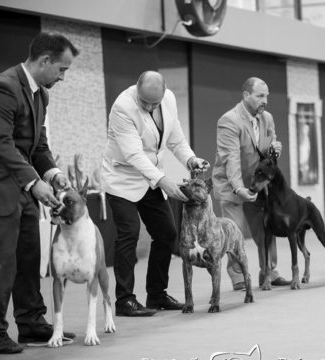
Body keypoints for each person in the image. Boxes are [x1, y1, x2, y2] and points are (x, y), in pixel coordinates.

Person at [0, 32, 79, 354]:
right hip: (0, 190)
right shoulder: (3, 87)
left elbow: (38, 147)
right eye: (62, 69)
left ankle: (31, 323)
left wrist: (53, 173)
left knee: (29, 259)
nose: (62, 77)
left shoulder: (41, 95)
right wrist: (33, 181)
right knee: (2, 264)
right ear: (44, 61)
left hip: (25, 192)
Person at [101, 71, 210, 317]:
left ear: (164, 93)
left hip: (151, 179)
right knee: (128, 234)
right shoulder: (122, 107)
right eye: (144, 101)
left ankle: (157, 294)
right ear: (136, 89)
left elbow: (176, 140)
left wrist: (191, 159)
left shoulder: (168, 100)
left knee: (166, 234)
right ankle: (125, 300)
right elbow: (134, 155)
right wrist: (165, 182)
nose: (149, 106)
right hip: (122, 179)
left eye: (154, 103)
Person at [212, 77, 291, 290]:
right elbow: (231, 159)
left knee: (266, 228)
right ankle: (238, 277)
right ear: (246, 95)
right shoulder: (229, 120)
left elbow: (265, 154)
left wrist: (274, 149)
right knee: (235, 232)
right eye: (260, 96)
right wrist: (239, 188)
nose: (265, 100)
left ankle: (270, 272)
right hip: (232, 184)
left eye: (266, 96)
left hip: (257, 185)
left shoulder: (268, 118)